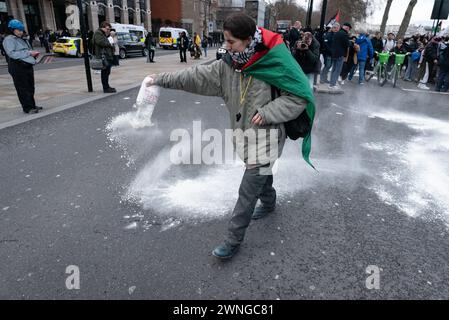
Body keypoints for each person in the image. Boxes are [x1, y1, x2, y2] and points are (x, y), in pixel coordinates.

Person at [146, 13, 315, 260]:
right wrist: (160, 80)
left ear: (248, 40)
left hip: (267, 138)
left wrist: (269, 112)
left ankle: (232, 240)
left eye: (231, 41)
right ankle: (269, 203)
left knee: (247, 191)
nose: (226, 46)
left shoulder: (276, 61)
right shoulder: (229, 65)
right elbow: (193, 77)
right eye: (225, 40)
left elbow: (299, 96)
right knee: (261, 177)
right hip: (245, 137)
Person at [2, 19, 43, 114]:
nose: (21, 32)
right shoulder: (9, 40)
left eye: (21, 30)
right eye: (19, 30)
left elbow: (26, 50)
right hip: (17, 66)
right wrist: (29, 53)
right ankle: (27, 108)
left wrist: (32, 54)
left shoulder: (21, 38)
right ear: (12, 29)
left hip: (26, 65)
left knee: (30, 86)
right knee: (22, 87)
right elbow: (12, 53)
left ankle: (32, 104)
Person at [93, 21, 116, 93]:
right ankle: (106, 88)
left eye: (109, 29)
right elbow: (101, 42)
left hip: (106, 56)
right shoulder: (98, 33)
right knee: (105, 73)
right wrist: (110, 42)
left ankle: (107, 86)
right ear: (102, 27)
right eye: (107, 29)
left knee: (107, 72)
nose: (108, 30)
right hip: (103, 56)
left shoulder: (102, 34)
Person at [329, 22, 351, 89]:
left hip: (334, 53)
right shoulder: (344, 34)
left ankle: (331, 83)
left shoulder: (337, 33)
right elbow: (347, 44)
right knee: (337, 70)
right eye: (349, 29)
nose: (348, 30)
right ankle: (333, 84)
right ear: (347, 28)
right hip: (340, 54)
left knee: (334, 69)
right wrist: (351, 43)